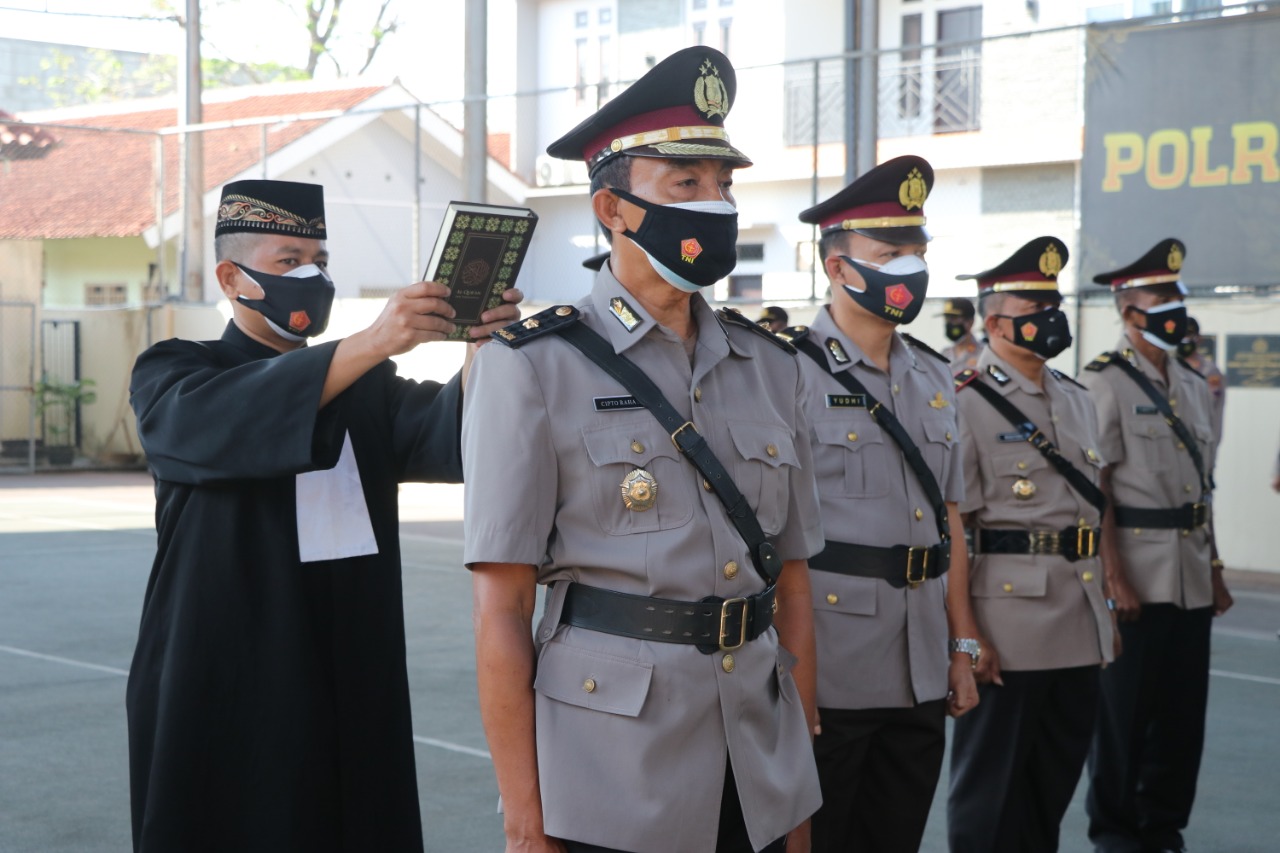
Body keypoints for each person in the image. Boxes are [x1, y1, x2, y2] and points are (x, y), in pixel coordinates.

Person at [463, 47, 823, 853]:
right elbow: (501, 610)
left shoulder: (770, 365)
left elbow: (791, 577)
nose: (717, 203)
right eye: (686, 184)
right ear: (613, 207)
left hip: (759, 764)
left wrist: (797, 788)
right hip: (612, 773)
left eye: (725, 184)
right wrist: (526, 822)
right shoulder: (531, 366)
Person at [126, 179, 522, 853]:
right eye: (288, 261)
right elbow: (214, 422)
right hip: (225, 681)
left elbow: (462, 436)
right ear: (233, 277)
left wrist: (481, 344)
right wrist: (376, 340)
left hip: (350, 671)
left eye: (321, 260)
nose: (311, 276)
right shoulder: (175, 371)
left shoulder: (367, 390)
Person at [788, 155, 980, 853]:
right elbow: (773, 541)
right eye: (890, 253)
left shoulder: (933, 375)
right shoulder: (788, 372)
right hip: (832, 666)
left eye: (917, 251)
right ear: (838, 269)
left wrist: (961, 646)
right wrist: (793, 673)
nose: (911, 269)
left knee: (895, 837)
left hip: (921, 661)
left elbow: (949, 520)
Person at [945, 237, 1116, 852]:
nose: (1052, 320)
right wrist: (967, 636)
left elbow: (1090, 513)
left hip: (1078, 615)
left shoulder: (1076, 397)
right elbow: (953, 530)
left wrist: (1106, 610)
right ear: (993, 322)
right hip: (1007, 626)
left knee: (1052, 787)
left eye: (1054, 305)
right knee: (989, 794)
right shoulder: (960, 399)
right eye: (1035, 307)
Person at [1080, 238, 1233, 853]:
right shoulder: (1104, 383)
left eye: (1177, 296)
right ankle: (1115, 832)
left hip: (1191, 573)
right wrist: (1112, 580)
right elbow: (1098, 490)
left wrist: (1216, 568)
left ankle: (1163, 828)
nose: (1175, 308)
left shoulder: (1193, 385)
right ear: (1128, 311)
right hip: (1136, 573)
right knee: (1121, 719)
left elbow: (1202, 486)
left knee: (1180, 717)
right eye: (1160, 298)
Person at [1179, 316, 1226, 455]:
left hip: (1199, 444)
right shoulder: (1166, 368)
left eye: (1189, 335)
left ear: (1199, 339)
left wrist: (1211, 451)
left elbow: (1214, 415)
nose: (1184, 340)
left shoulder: (1210, 371)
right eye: (1181, 335)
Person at [940, 297, 985, 371]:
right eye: (947, 319)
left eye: (954, 318)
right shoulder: (944, 354)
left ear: (970, 322)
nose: (949, 324)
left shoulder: (983, 353)